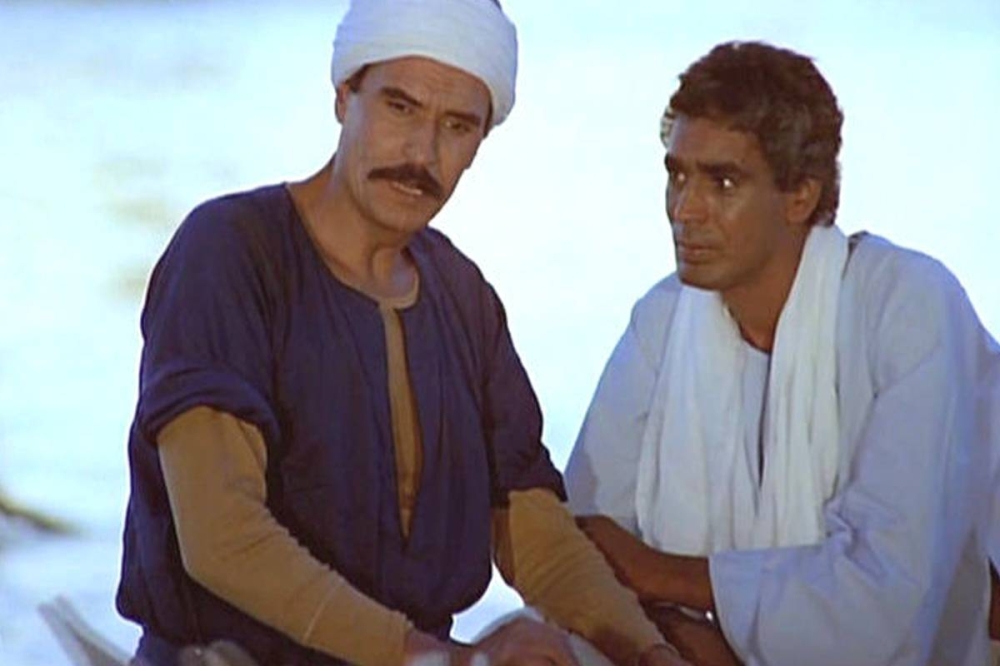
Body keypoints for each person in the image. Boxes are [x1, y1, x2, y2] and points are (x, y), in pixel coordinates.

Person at [114, 1, 690, 665]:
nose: (421, 153)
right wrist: (435, 656)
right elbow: (222, 538)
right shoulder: (230, 252)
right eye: (399, 107)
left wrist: (649, 654)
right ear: (344, 96)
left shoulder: (462, 295)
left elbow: (537, 535)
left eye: (457, 126)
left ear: (481, 141)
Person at [564, 40, 999, 666]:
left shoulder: (908, 304)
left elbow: (888, 596)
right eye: (677, 175)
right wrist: (683, 635)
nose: (685, 210)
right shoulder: (664, 318)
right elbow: (587, 545)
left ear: (800, 196)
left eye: (723, 182)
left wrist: (666, 576)